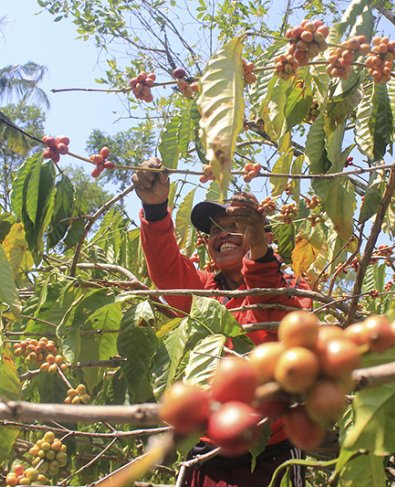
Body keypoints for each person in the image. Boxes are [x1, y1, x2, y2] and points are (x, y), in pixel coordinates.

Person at [132, 158, 310, 487]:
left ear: (262, 234)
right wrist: (155, 211)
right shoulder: (203, 292)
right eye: (214, 230)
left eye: (234, 226)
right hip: (207, 453)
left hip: (272, 455)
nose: (222, 235)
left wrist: (260, 252)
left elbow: (271, 308)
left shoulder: (291, 285)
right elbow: (168, 272)